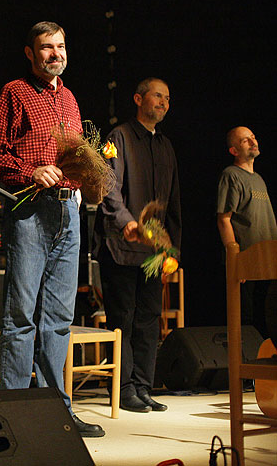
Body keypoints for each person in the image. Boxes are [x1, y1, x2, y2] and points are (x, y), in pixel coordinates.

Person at [0, 21, 104, 437]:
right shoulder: (15, 92)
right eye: (46, 48)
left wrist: (91, 177)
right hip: (31, 210)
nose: (56, 54)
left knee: (59, 319)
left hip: (70, 213)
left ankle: (57, 409)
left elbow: (75, 157)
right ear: (30, 53)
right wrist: (31, 170)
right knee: (20, 316)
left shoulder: (69, 97)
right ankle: (14, 410)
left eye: (61, 46)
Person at [94, 78, 181, 413]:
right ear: (138, 99)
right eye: (158, 95)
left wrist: (172, 247)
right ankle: (124, 387)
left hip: (154, 252)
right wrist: (126, 220)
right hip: (122, 244)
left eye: (167, 98)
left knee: (149, 318)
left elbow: (172, 201)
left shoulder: (165, 146)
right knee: (124, 318)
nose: (163, 102)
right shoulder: (120, 137)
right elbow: (108, 186)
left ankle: (143, 386)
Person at [216, 126, 277, 340]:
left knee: (268, 320)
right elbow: (224, 219)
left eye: (253, 137)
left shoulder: (259, 179)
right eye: (245, 140)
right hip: (248, 263)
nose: (252, 142)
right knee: (248, 321)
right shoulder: (231, 175)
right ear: (234, 150)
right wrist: (236, 261)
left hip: (268, 261)